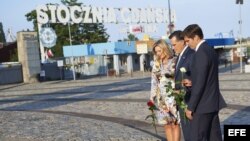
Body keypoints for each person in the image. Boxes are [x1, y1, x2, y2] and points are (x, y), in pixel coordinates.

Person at [182, 24, 227, 141]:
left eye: (188, 40)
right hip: (212, 104)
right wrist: (192, 81)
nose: (187, 44)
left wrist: (190, 107)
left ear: (196, 37)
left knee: (197, 137)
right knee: (214, 137)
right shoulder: (210, 50)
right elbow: (205, 77)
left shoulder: (200, 53)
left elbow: (201, 83)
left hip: (202, 107)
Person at [150, 39, 180, 141]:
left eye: (160, 51)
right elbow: (154, 81)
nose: (158, 54)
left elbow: (179, 78)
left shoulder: (175, 61)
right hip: (161, 98)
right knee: (166, 124)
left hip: (173, 97)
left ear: (165, 49)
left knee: (175, 124)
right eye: (156, 52)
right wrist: (152, 97)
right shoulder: (156, 64)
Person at [169, 30, 195, 141]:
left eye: (174, 45)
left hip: (189, 101)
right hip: (182, 101)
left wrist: (183, 90)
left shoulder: (190, 54)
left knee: (192, 133)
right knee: (187, 132)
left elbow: (195, 79)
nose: (173, 48)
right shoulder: (180, 56)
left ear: (183, 42)